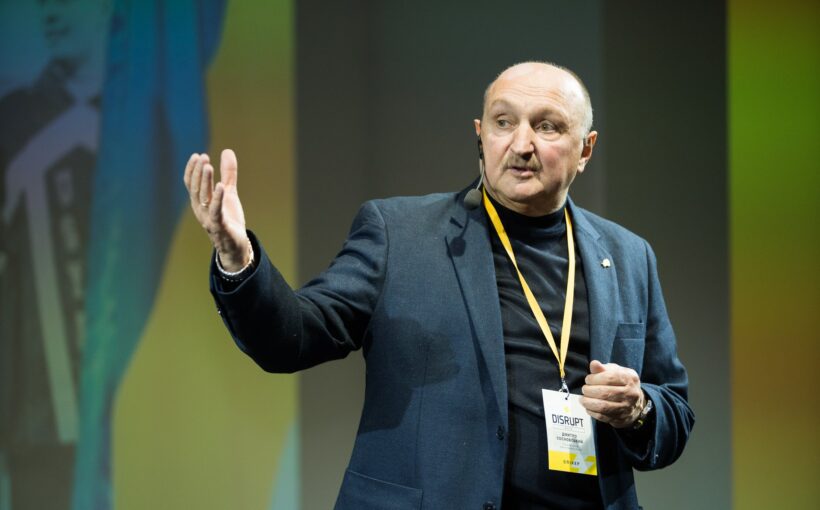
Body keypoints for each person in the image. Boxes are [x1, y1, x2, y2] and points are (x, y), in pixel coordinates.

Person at [184, 62, 694, 510]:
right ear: (480, 135)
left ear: (585, 149)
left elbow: (675, 409)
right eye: (503, 122)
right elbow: (291, 337)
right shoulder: (399, 234)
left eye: (547, 126)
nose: (522, 145)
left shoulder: (628, 256)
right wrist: (238, 257)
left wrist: (639, 410)